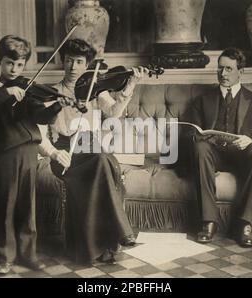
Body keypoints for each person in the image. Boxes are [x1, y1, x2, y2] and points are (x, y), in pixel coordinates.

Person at [37, 38, 147, 264]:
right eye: (69, 60)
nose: (73, 67)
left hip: (92, 150)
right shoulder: (51, 93)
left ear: (87, 65)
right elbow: (39, 132)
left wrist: (131, 84)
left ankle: (94, 248)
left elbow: (114, 113)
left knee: (101, 159)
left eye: (79, 62)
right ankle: (122, 234)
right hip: (65, 155)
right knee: (104, 160)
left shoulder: (94, 90)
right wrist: (53, 154)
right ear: (62, 61)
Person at [0, 35, 62, 274]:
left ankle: (29, 254)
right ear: (0, 61)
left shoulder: (27, 89)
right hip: (6, 155)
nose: (14, 69)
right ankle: (5, 256)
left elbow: (41, 117)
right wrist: (6, 92)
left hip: (30, 152)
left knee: (27, 205)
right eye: (10, 63)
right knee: (7, 206)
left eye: (20, 64)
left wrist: (58, 106)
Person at [189, 48, 252, 247]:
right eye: (220, 69)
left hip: (243, 153)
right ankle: (208, 221)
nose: (223, 74)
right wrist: (201, 137)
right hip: (214, 153)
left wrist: (251, 140)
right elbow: (191, 133)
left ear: (240, 72)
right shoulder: (202, 100)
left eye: (228, 69)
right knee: (200, 149)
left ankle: (245, 224)